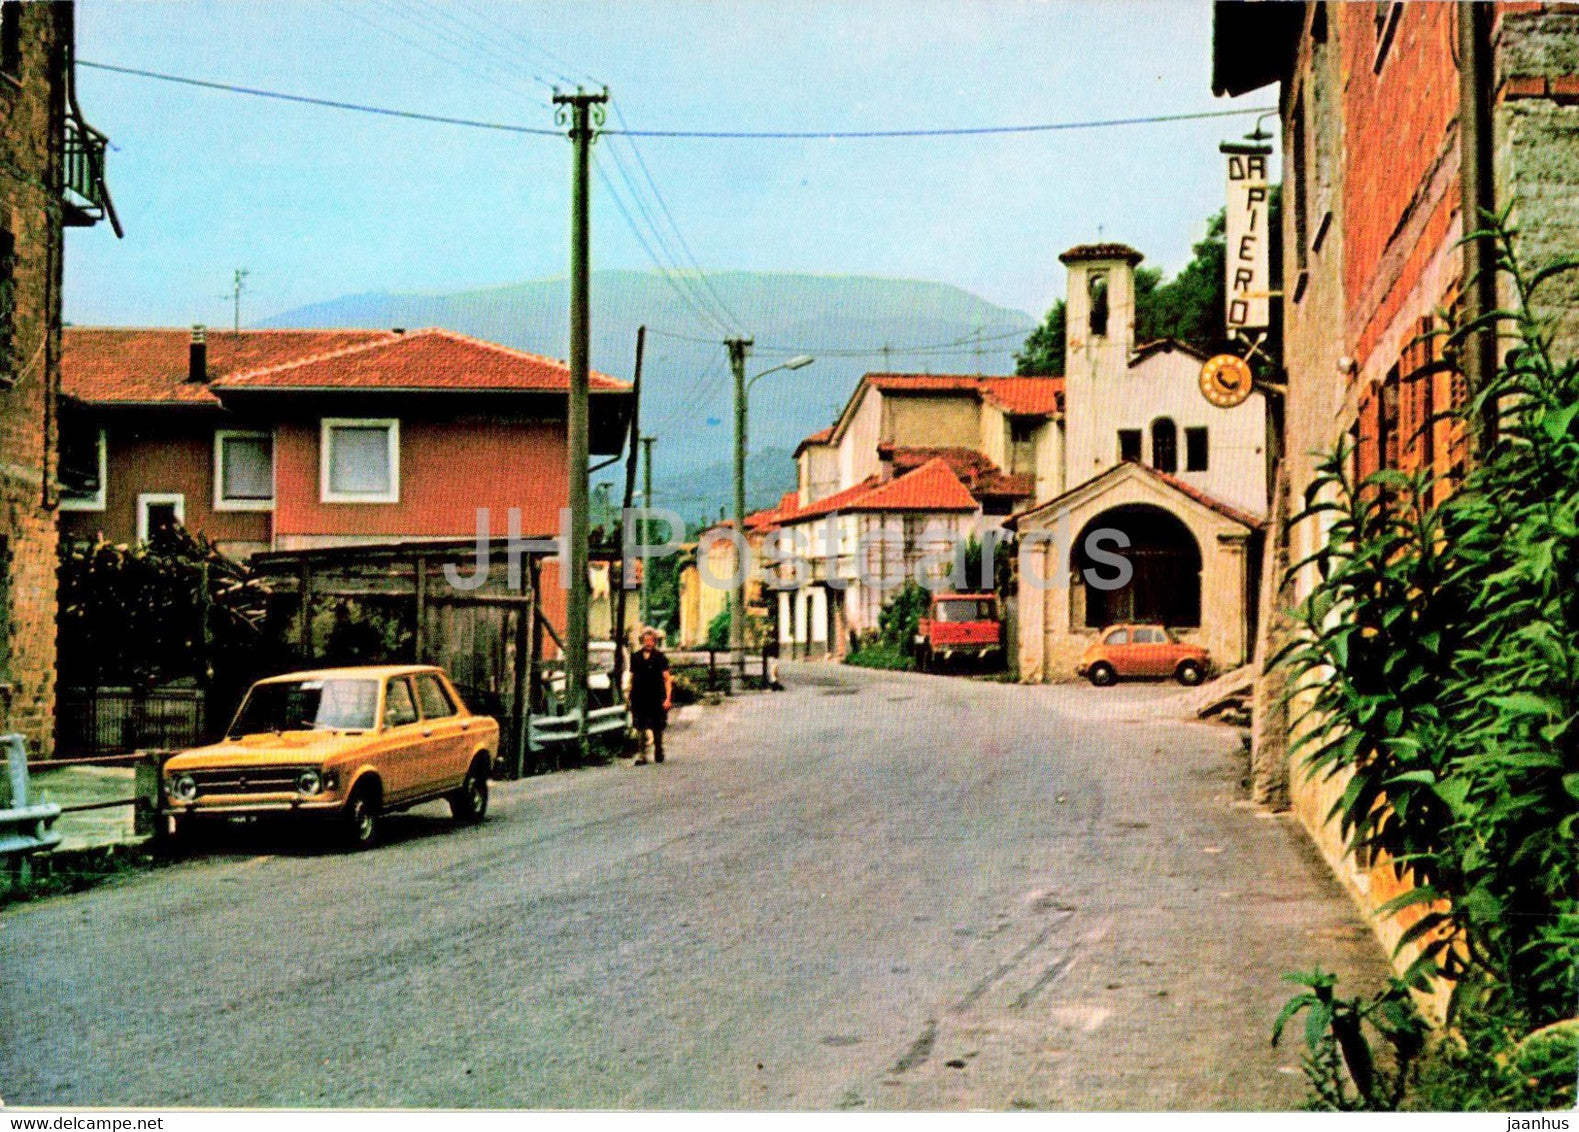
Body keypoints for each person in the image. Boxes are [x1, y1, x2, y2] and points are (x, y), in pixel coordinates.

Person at [626, 627, 672, 764]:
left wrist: (668, 698)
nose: (648, 643)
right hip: (639, 696)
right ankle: (642, 754)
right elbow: (632, 677)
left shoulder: (660, 657)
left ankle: (658, 749)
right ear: (642, 641)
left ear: (655, 642)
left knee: (657, 725)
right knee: (640, 726)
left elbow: (667, 678)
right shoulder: (635, 657)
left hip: (656, 696)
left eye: (651, 640)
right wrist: (629, 695)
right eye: (645, 640)